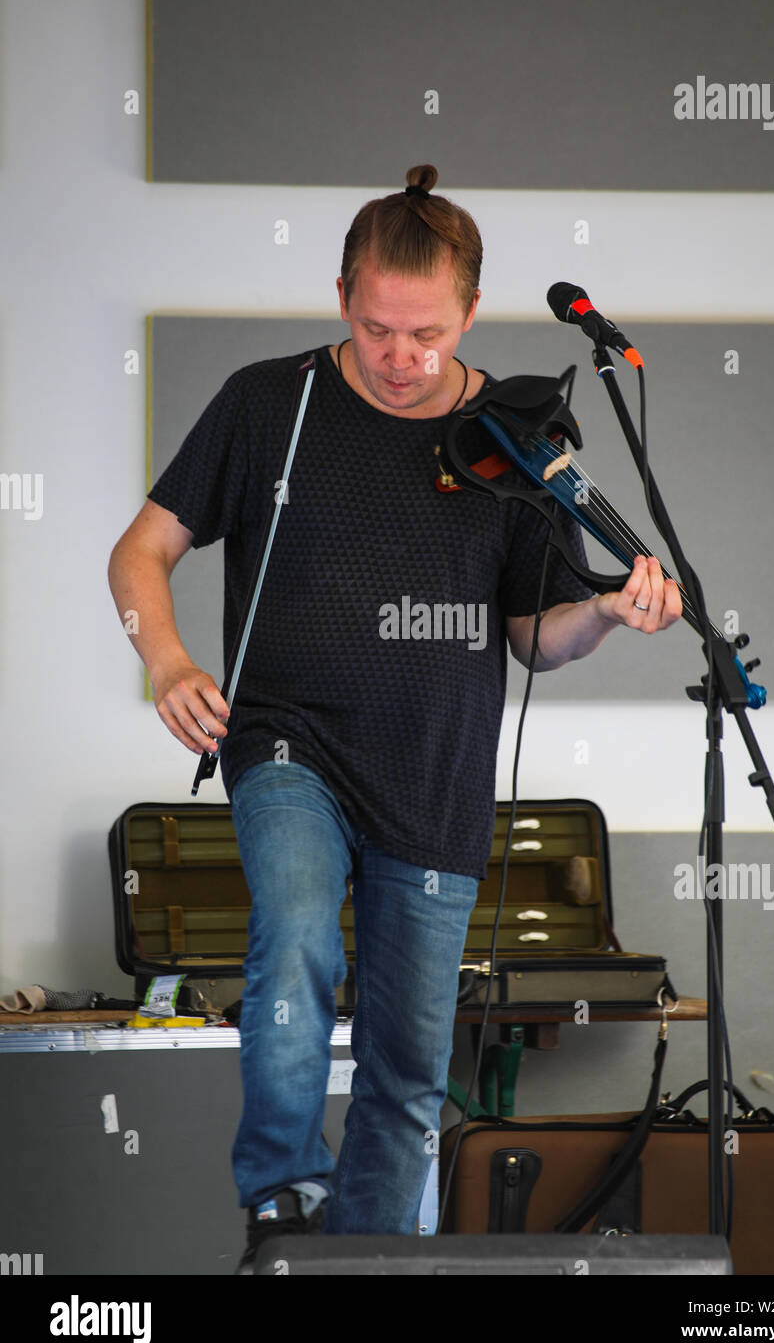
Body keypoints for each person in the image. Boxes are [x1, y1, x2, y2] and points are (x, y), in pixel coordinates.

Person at [107, 163, 682, 1272]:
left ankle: (361, 1264)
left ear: (469, 310)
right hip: (286, 740)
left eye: (424, 333)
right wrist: (168, 658)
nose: (400, 356)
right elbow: (141, 549)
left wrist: (605, 611)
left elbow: (533, 636)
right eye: (375, 328)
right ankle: (279, 1195)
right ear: (339, 298)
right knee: (291, 938)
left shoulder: (512, 440)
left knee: (407, 1068)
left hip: (435, 773)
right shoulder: (265, 402)